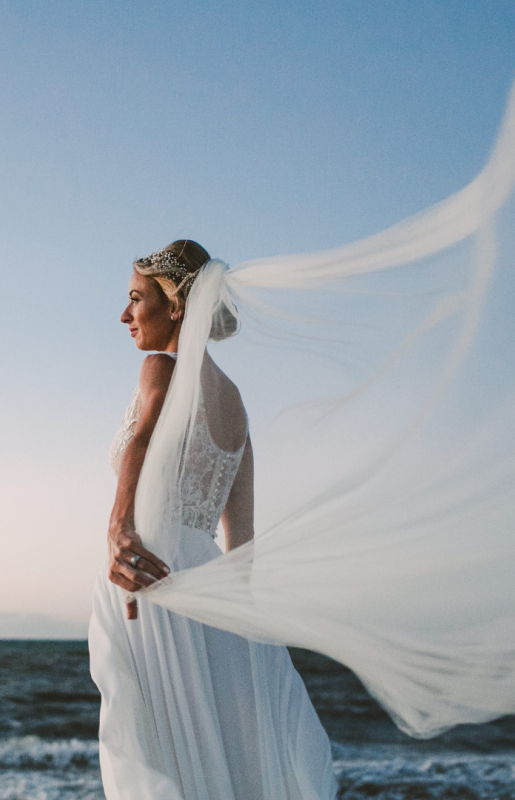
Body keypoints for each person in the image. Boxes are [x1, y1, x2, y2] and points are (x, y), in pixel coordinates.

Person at [88, 240, 338, 800]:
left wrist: (118, 529)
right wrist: (241, 638)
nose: (125, 315)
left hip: (147, 570)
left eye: (136, 300)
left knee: (150, 750)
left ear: (176, 306)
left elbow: (140, 442)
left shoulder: (158, 368)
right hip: (209, 587)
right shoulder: (236, 403)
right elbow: (241, 542)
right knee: (218, 755)